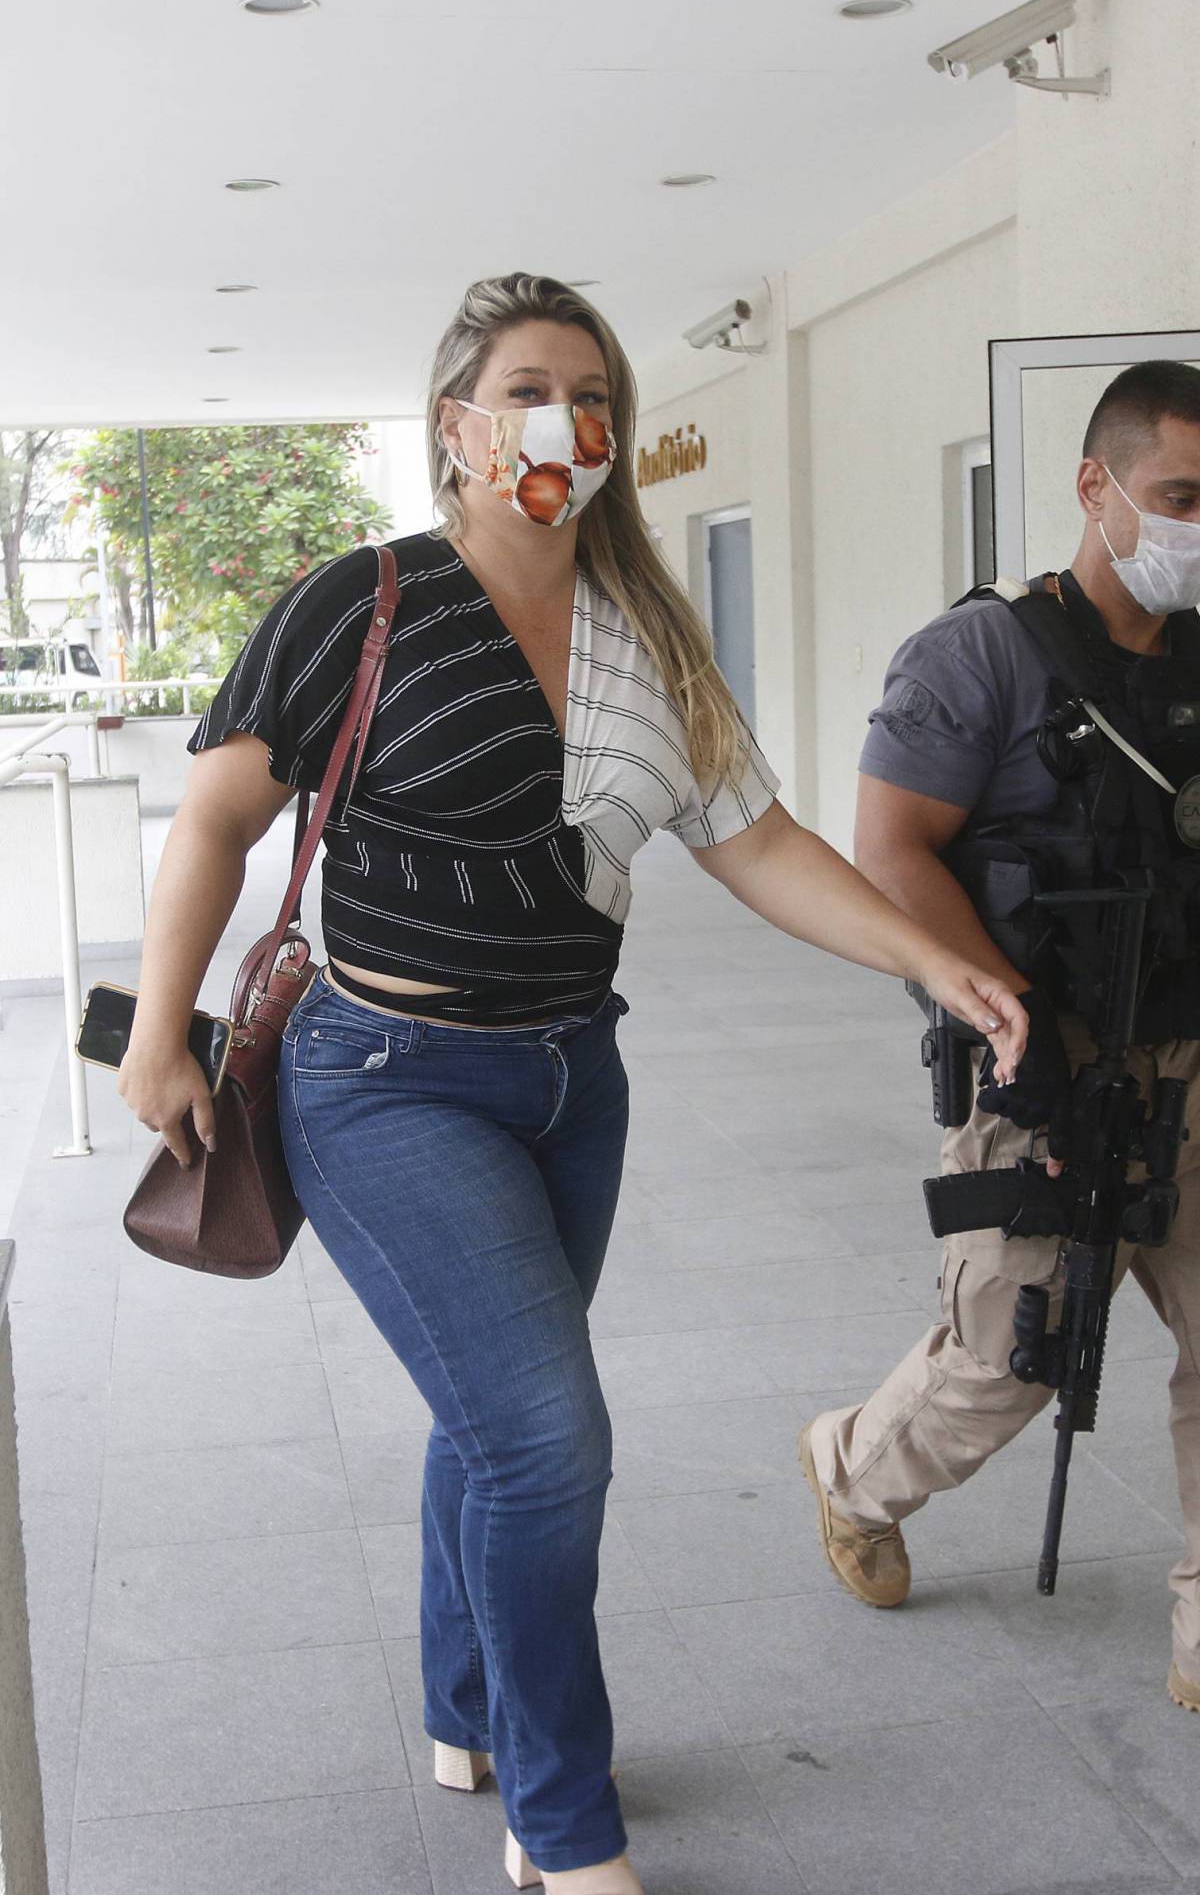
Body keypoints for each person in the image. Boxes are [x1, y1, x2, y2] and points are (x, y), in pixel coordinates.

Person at [117, 272, 1027, 1894]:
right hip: (382, 1073)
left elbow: (753, 839)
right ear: (458, 428)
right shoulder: (364, 601)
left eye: (594, 391)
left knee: (493, 1420)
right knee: (547, 1435)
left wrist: (926, 954)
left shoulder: (647, 630)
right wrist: (156, 1025)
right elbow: (214, 820)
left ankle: (466, 1707)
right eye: (533, 387)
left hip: (568, 1080)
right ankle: (562, 1814)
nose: (570, 420)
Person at [799, 359, 1200, 1717]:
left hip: (1189, 1058)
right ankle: (855, 1469)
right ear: (1098, 488)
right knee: (1010, 1356)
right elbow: (888, 846)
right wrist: (988, 1000)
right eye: (1181, 496)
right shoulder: (981, 653)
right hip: (1045, 1065)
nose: (1199, 525)